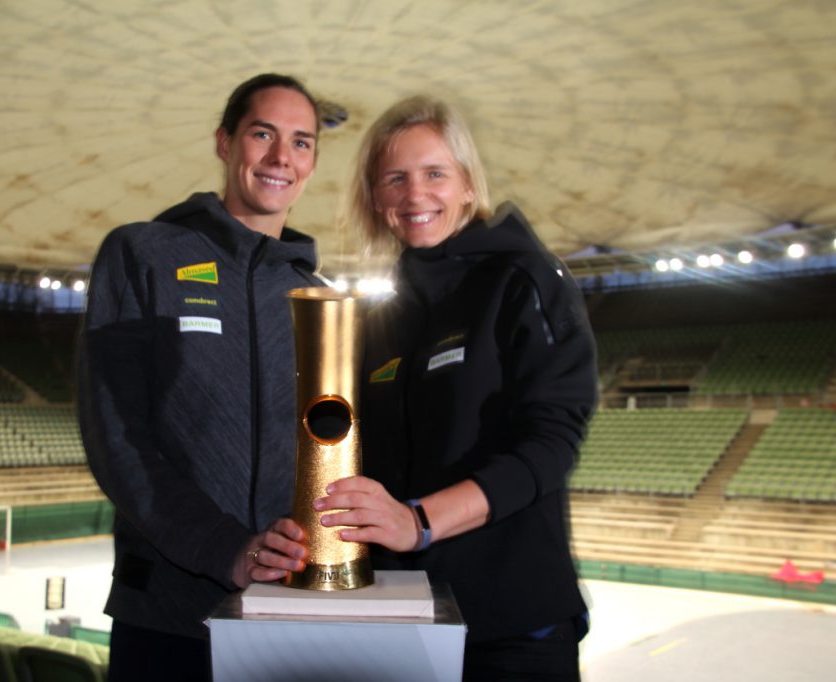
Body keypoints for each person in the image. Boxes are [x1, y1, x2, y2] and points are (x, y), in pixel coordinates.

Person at [316, 95, 598, 680]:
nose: (415, 195)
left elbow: (550, 447)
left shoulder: (524, 279)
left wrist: (419, 521)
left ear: (469, 185)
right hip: (404, 611)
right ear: (376, 198)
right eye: (395, 178)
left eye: (435, 174)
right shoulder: (382, 316)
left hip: (512, 623)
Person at [77, 73, 322, 681]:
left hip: (284, 608)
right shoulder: (142, 254)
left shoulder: (314, 297)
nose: (279, 158)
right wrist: (225, 549)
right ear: (225, 142)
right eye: (262, 134)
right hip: (166, 612)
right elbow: (116, 435)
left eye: (301, 142)